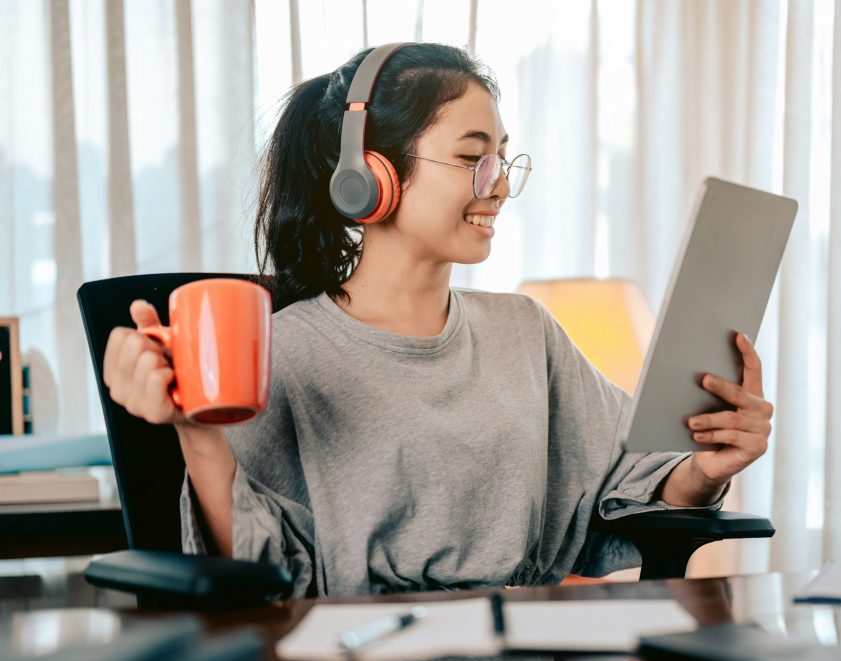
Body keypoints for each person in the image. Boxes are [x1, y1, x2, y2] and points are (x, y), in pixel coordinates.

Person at [102, 43, 774, 597]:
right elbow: (250, 571)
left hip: (530, 656)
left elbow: (629, 487)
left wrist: (708, 465)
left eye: (503, 157)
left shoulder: (526, 331)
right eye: (472, 156)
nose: (500, 182)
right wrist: (196, 428)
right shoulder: (284, 351)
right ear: (369, 177)